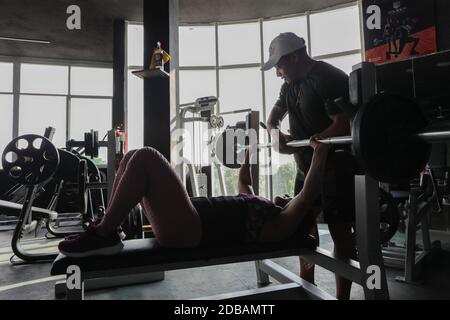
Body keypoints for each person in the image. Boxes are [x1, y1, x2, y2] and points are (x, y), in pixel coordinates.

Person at [58, 138, 329, 258]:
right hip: (186, 221)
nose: (285, 196)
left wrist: (319, 153)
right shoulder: (264, 208)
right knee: (132, 157)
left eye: (288, 198)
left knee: (146, 157)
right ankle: (108, 228)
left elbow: (305, 197)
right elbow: (244, 181)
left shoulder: (281, 225)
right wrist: (251, 150)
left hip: (189, 230)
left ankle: (104, 231)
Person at [261, 32, 358, 300]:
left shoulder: (328, 78)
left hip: (336, 169)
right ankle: (306, 291)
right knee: (303, 228)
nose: (278, 73)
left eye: (279, 66)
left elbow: (344, 123)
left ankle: (342, 298)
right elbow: (273, 118)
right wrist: (274, 136)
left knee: (340, 234)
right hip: (306, 167)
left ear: (294, 57)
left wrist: (321, 139)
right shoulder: (289, 85)